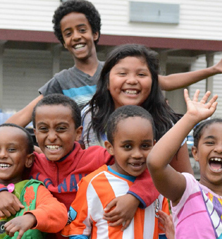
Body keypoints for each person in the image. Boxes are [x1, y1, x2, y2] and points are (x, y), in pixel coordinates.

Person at [0, 0, 222, 180]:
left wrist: (212, 70)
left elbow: (165, 80)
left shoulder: (120, 69)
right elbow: (22, 118)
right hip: (94, 174)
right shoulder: (63, 83)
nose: (76, 36)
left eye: (81, 29)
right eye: (68, 33)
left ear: (95, 33)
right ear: (63, 41)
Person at [0, 94, 159, 239]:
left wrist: (134, 197)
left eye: (61, 128)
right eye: (44, 129)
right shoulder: (31, 162)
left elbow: (150, 171)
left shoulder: (97, 157)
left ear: (78, 133)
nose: (52, 136)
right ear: (35, 133)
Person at [147, 89, 222, 238]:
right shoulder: (187, 190)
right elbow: (155, 162)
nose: (219, 149)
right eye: (210, 142)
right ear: (195, 153)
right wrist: (190, 118)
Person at [62, 105, 170, 238]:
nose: (137, 154)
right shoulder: (92, 184)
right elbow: (77, 230)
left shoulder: (158, 185)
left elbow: (163, 231)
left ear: (154, 145)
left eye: (145, 146)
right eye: (127, 146)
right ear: (110, 147)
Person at [82, 43, 193, 174]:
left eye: (141, 74)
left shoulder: (167, 124)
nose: (132, 80)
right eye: (122, 73)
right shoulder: (90, 115)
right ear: (107, 81)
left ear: (153, 82)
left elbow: (186, 181)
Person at [0, 123, 67, 239]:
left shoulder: (33, 190)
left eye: (12, 149)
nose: (2, 155)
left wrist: (31, 218)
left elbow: (59, 213)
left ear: (29, 160)